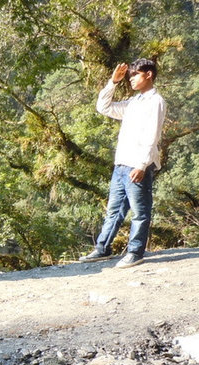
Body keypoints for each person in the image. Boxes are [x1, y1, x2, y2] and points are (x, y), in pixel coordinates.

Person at [79, 58, 166, 268]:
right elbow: (104, 107)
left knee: (139, 212)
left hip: (137, 164)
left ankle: (136, 252)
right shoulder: (133, 102)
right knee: (114, 210)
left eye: (135, 75)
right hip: (121, 164)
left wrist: (142, 165)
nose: (132, 79)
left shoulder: (156, 102)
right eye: (130, 76)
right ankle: (103, 248)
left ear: (149, 75)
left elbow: (152, 135)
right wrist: (113, 82)